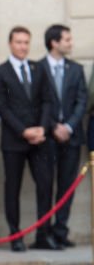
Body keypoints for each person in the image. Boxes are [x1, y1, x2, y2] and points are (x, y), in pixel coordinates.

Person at [0, 26, 55, 251]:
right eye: (18, 42)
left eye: (26, 42)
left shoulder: (38, 68)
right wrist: (23, 131)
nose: (23, 47)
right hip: (14, 140)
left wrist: (42, 129)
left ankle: (43, 235)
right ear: (10, 44)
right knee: (12, 188)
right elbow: (3, 108)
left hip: (40, 139)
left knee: (45, 185)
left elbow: (48, 101)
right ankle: (15, 235)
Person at [40, 24, 87, 248]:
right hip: (47, 137)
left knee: (67, 185)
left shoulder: (76, 69)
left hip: (72, 136)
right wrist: (53, 126)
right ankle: (45, 232)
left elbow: (82, 101)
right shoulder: (38, 68)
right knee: (46, 185)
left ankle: (61, 230)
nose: (71, 43)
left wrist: (68, 126)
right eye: (67, 39)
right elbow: (37, 103)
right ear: (54, 43)